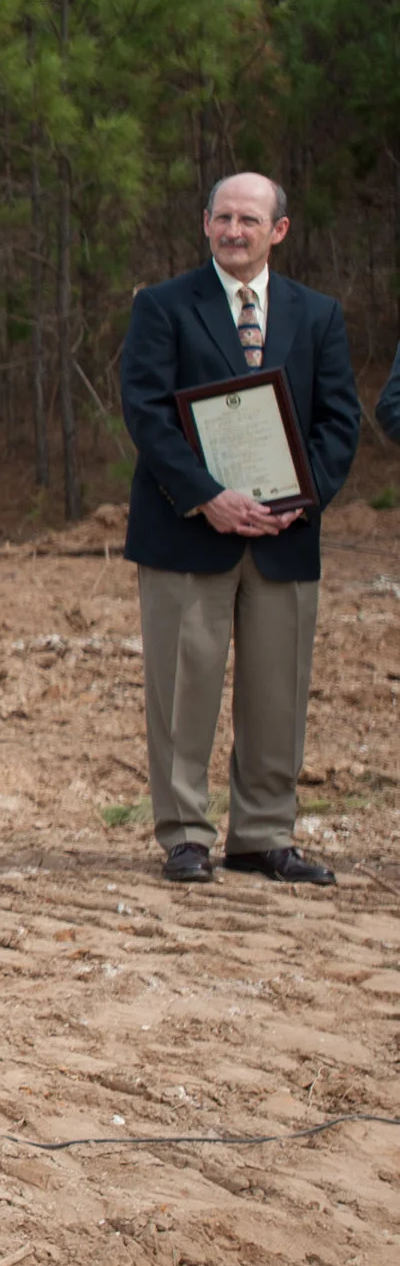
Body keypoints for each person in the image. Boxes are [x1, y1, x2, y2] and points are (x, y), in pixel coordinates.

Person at [119, 172, 359, 888]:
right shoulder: (164, 307)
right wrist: (206, 496)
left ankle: (262, 834)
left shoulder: (318, 315)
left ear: (278, 230)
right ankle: (185, 834)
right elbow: (147, 413)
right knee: (182, 689)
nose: (233, 230)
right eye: (221, 217)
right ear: (204, 223)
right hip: (187, 532)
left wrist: (301, 499)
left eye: (248, 219)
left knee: (277, 691)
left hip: (285, 536)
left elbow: (339, 422)